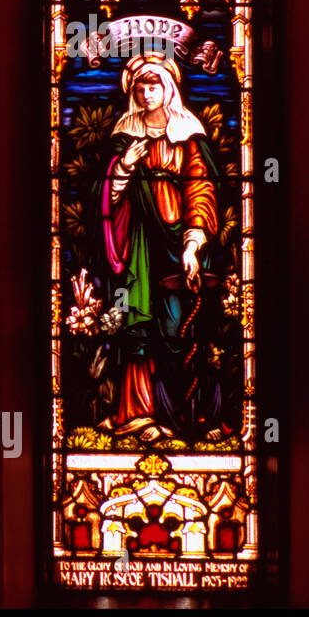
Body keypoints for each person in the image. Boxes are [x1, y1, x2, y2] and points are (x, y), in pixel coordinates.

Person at [93, 53, 221, 442]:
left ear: (169, 88)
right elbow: (100, 197)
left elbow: (201, 187)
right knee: (137, 322)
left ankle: (188, 417)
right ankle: (136, 414)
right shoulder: (123, 136)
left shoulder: (188, 135)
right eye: (140, 87)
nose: (147, 93)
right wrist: (125, 166)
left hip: (178, 243)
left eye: (155, 85)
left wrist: (193, 242)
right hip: (137, 245)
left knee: (179, 326)